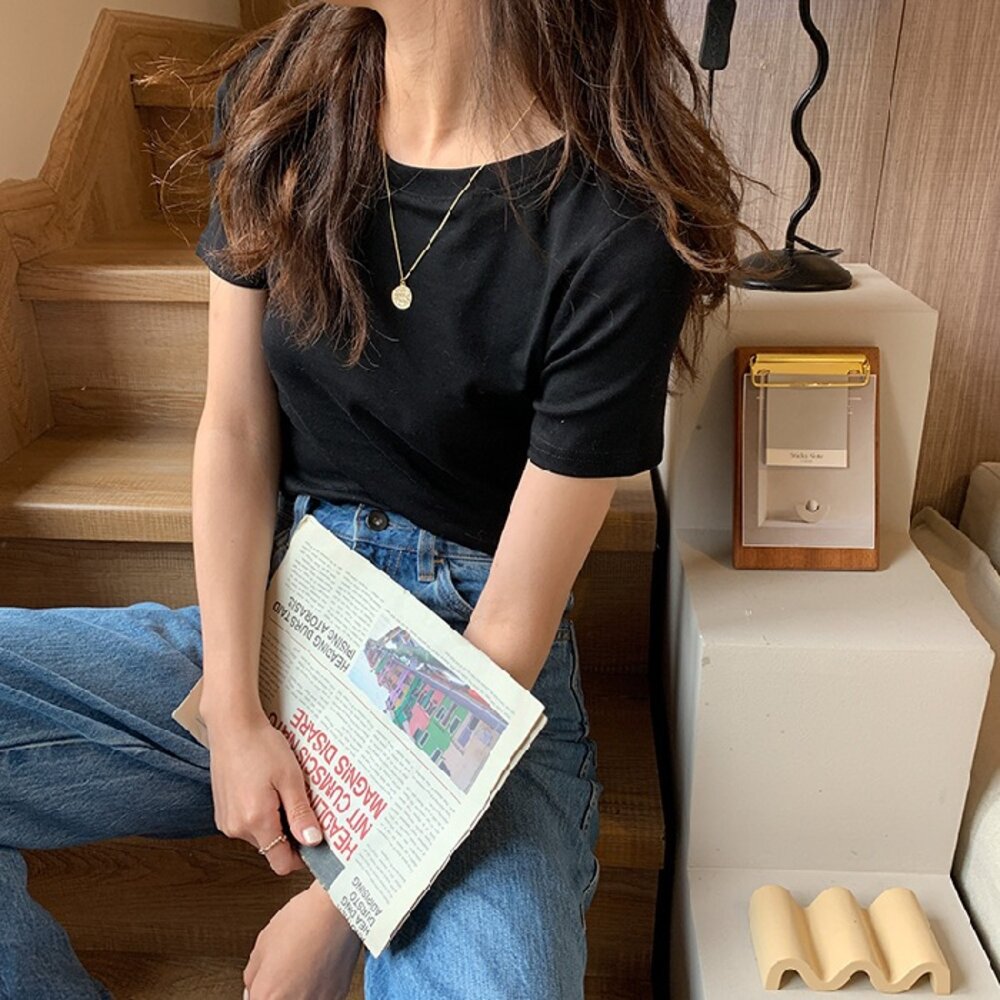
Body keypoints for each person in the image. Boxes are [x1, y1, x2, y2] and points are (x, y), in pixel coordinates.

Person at [0, 2, 774, 998]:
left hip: (470, 672)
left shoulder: (620, 226)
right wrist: (233, 709)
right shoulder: (280, 98)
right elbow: (235, 429)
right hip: (293, 614)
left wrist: (351, 899)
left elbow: (511, 625)